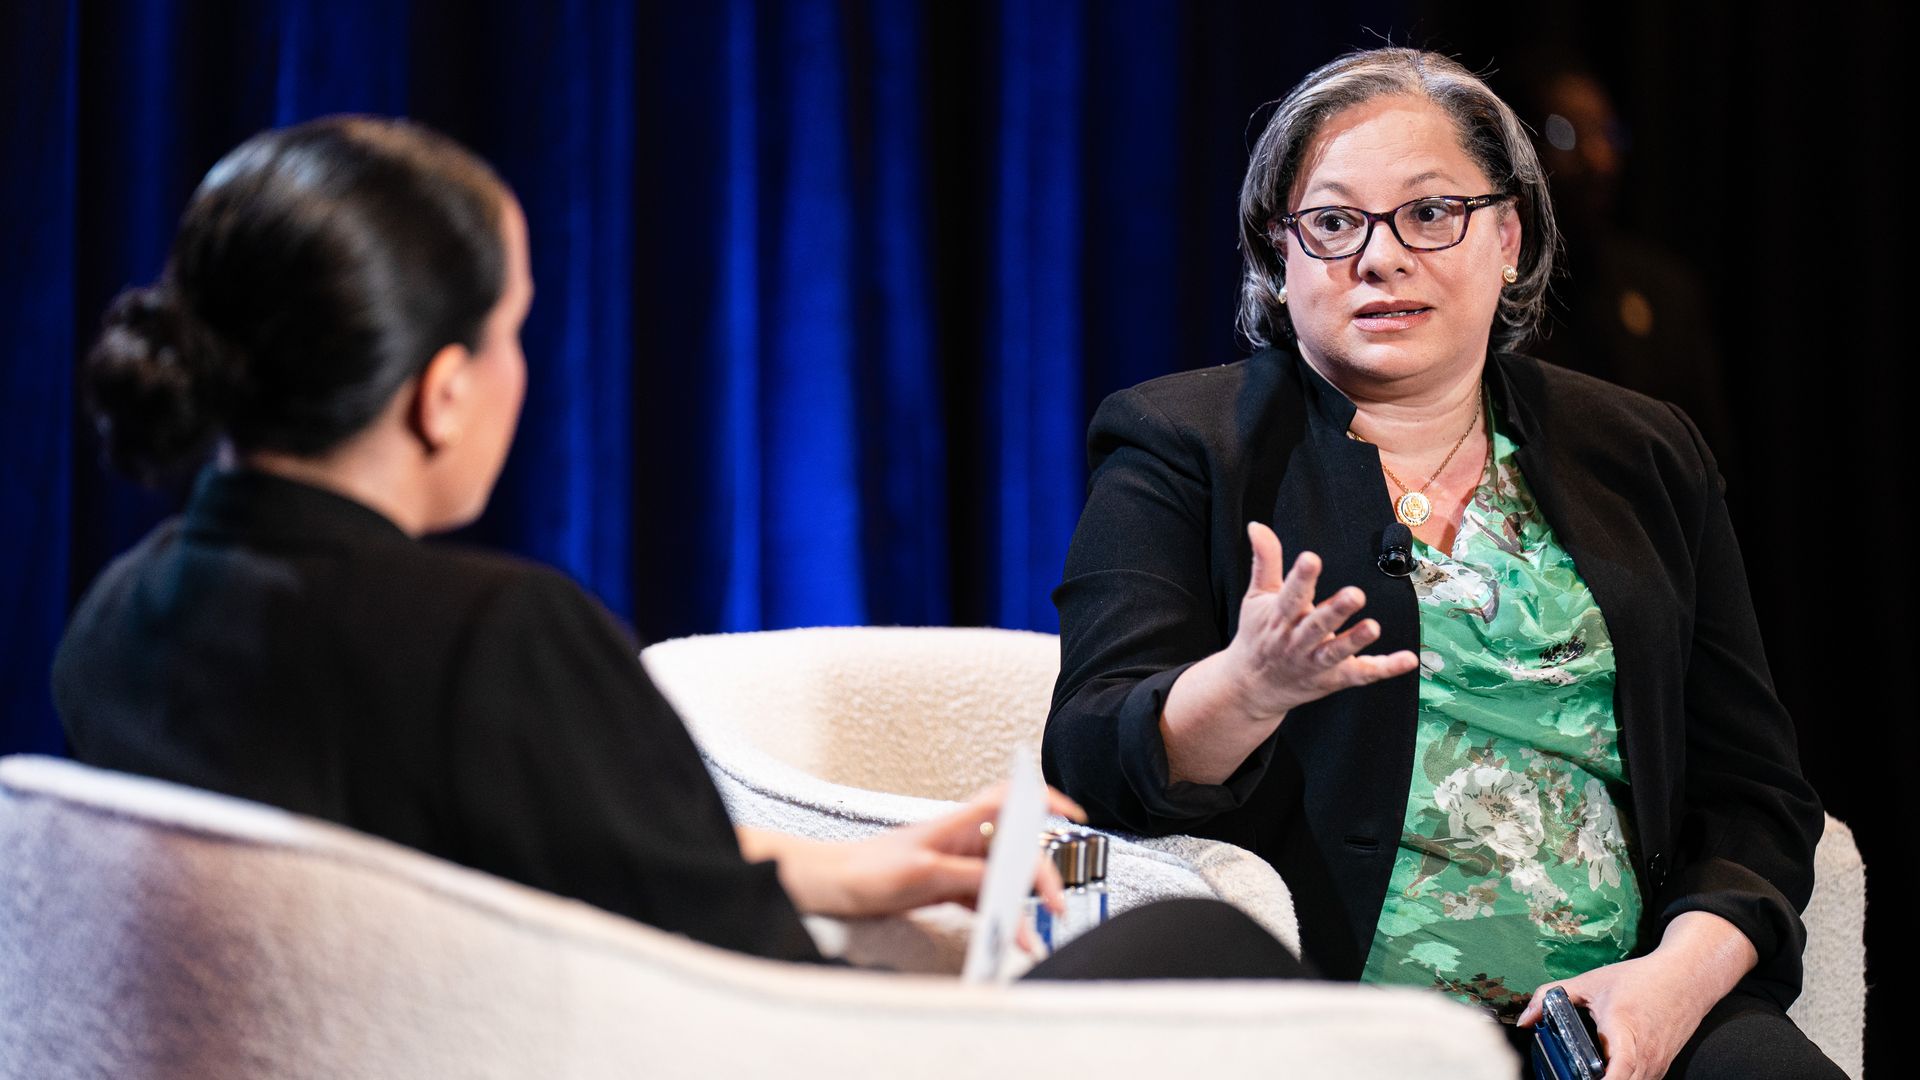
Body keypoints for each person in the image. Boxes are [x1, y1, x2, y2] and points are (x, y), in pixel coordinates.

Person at [55, 116, 1303, 982]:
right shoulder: (494, 638)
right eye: (513, 333)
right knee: (1204, 946)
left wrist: (867, 875)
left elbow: (533, 851)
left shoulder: (124, 618)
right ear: (443, 391)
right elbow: (726, 976)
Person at [1042, 48, 1838, 1078]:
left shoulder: (1641, 452)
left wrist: (1672, 983)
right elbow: (1091, 757)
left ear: (1507, 237)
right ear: (1279, 258)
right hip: (1334, 1016)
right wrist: (1244, 690)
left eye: (1430, 214)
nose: (1381, 258)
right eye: (1333, 223)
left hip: (1617, 1010)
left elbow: (1756, 793)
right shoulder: (1182, 445)